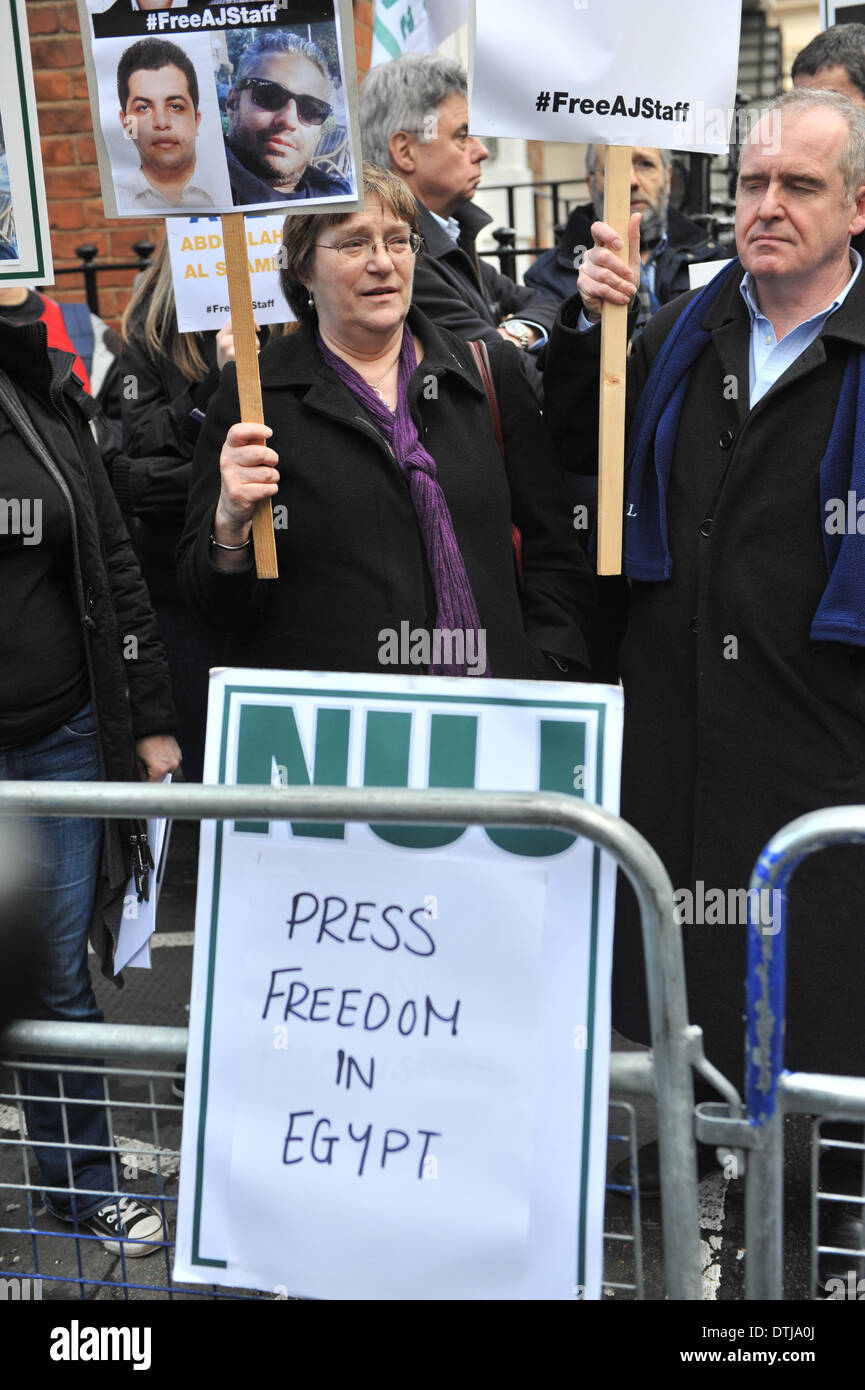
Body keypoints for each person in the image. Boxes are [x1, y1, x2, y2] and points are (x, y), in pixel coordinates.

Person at [544, 87, 865, 1282]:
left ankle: (797, 1268)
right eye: (750, 183)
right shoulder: (674, 334)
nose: (765, 207)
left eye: (799, 186)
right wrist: (588, 340)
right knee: (694, 1042)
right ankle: (718, 1263)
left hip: (821, 775)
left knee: (817, 1053)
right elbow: (581, 485)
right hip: (678, 773)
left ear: (856, 207)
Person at [178, 163, 593, 682]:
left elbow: (551, 549)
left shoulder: (486, 374)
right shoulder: (254, 398)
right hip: (341, 730)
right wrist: (230, 524)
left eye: (399, 240)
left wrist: (546, 663)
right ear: (303, 266)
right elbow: (212, 604)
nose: (383, 263)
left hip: (489, 715)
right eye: (353, 244)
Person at [0, 298, 181, 1255]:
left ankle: (79, 1186)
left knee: (58, 978)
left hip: (60, 735)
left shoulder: (38, 386)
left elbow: (111, 556)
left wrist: (149, 717)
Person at [117, 240, 267, 782]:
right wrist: (217, 386)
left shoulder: (301, 323)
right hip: (183, 592)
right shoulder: (151, 336)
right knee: (211, 764)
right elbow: (136, 456)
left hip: (283, 583)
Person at [358, 55, 560, 393]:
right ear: (405, 151)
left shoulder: (451, 241)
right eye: (463, 135)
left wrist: (514, 333)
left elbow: (548, 303)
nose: (481, 150)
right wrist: (513, 342)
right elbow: (514, 380)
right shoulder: (402, 264)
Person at [525, 145, 726, 324]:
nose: (631, 181)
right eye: (613, 167)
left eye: (646, 164)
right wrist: (591, 320)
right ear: (591, 185)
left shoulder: (713, 259)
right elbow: (554, 361)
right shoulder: (547, 276)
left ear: (667, 178)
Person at [224, 31, 353, 206]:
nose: (288, 120)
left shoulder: (340, 197)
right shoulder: (198, 185)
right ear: (233, 103)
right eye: (269, 95)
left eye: (311, 109)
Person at [115, 37, 215, 210]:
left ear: (196, 120)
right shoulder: (116, 200)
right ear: (126, 125)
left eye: (175, 106)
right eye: (143, 107)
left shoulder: (229, 190)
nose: (161, 123)